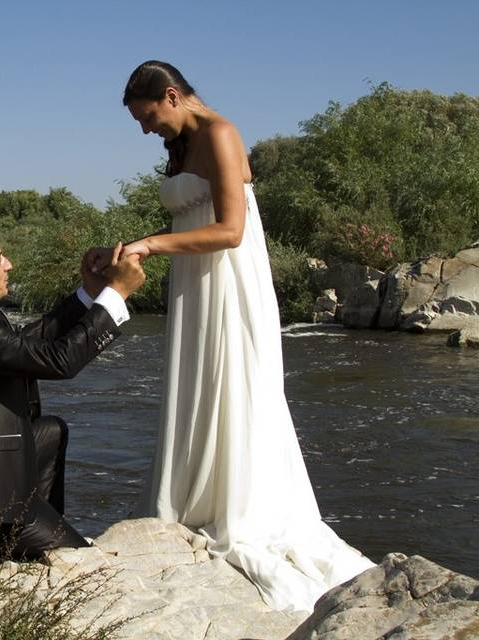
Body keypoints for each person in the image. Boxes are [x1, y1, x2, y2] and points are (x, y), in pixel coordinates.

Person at [89, 61, 375, 612]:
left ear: (172, 96)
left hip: (228, 276)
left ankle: (239, 508)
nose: (146, 131)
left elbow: (230, 229)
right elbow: (187, 219)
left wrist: (148, 245)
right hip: (194, 280)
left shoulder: (221, 133)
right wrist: (127, 248)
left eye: (148, 117)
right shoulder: (181, 143)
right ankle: (196, 498)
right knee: (197, 382)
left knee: (235, 382)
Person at [0, 223, 145, 562]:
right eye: (0, 258)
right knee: (83, 564)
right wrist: (116, 294)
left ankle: (21, 531)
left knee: (50, 431)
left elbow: (31, 340)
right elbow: (59, 361)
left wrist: (90, 292)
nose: (9, 265)